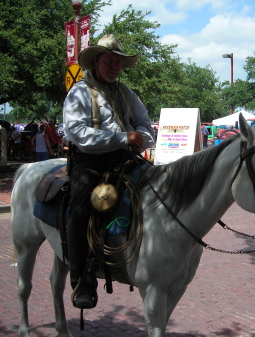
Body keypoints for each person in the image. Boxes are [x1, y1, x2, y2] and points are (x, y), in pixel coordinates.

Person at [63, 34, 155, 309]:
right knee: (80, 210)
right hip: (90, 161)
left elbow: (145, 125)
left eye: (118, 62)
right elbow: (76, 132)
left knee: (159, 188)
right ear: (96, 62)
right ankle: (82, 281)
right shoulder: (80, 91)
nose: (115, 66)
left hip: (125, 158)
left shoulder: (127, 93)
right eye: (109, 61)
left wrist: (141, 139)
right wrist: (123, 138)